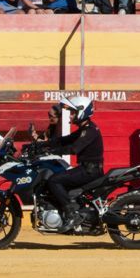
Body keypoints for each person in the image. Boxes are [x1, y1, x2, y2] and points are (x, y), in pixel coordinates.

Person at [46, 95, 103, 224]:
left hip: (89, 171)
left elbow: (74, 149)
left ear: (82, 111)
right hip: (87, 169)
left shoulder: (90, 130)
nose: (71, 116)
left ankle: (71, 214)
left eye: (73, 112)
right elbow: (65, 140)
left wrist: (51, 151)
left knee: (54, 181)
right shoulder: (85, 128)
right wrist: (42, 144)